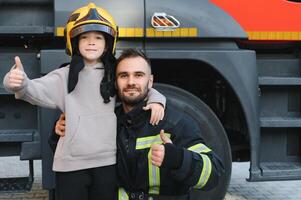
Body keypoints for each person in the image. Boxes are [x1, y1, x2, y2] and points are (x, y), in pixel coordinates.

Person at [2, 3, 165, 200]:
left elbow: (137, 89)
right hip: (70, 164)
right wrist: (17, 83)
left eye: (98, 37)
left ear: (108, 43)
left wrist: (157, 101)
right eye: (84, 37)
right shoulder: (63, 76)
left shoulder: (113, 75)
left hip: (107, 162)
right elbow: (33, 89)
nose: (91, 42)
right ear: (73, 42)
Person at [55, 49, 225, 200]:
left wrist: (178, 158)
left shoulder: (176, 123)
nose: (130, 82)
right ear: (115, 82)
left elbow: (214, 174)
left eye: (138, 75)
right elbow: (76, 162)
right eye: (123, 75)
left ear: (150, 81)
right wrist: (60, 133)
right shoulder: (106, 121)